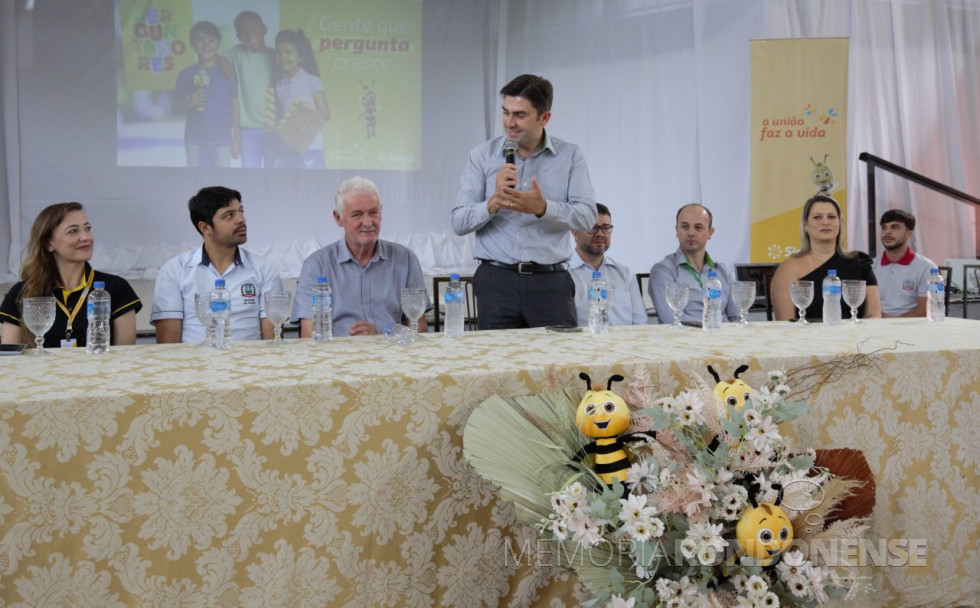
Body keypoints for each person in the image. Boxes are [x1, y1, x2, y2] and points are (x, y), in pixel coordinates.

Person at [452, 74, 597, 329]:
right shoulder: (482, 156)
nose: (509, 123)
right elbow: (458, 222)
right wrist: (492, 203)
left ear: (545, 118)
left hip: (550, 283)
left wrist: (543, 208)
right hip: (496, 281)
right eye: (505, 112)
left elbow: (587, 216)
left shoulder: (570, 156)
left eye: (520, 115)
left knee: (558, 367)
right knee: (498, 367)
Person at [291, 177, 429, 337]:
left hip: (391, 355)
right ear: (338, 218)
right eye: (357, 215)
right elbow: (308, 336)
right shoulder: (316, 265)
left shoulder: (406, 260)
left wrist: (380, 337)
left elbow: (420, 330)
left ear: (381, 212)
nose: (367, 222)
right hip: (336, 358)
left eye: (373, 212)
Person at [151, 187, 282, 343]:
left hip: (250, 363)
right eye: (229, 215)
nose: (241, 219)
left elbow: (272, 340)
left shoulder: (264, 269)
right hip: (195, 363)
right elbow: (168, 344)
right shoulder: (175, 270)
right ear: (205, 227)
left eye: (241, 211)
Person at [0, 202, 141, 348]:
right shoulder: (21, 293)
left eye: (87, 229)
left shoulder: (116, 288)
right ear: (48, 243)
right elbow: (11, 359)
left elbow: (124, 356)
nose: (85, 237)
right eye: (73, 231)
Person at [771, 194, 882, 321]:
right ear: (805, 225)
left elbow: (874, 315)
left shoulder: (860, 263)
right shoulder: (788, 268)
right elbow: (785, 324)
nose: (825, 222)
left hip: (854, 339)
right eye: (817, 217)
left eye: (832, 217)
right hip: (806, 340)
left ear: (840, 223)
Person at [649, 203, 740, 325]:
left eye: (698, 227)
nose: (691, 233)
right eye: (685, 227)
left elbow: (738, 317)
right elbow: (672, 319)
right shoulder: (664, 270)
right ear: (677, 230)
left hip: (722, 338)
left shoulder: (723, 271)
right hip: (683, 341)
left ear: (710, 233)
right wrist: (712, 326)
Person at [174, 21, 239, 168]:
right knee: (196, 184)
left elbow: (234, 106)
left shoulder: (227, 73)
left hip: (223, 141)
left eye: (211, 40)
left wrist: (237, 139)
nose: (206, 45)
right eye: (200, 40)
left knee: (221, 185)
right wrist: (188, 104)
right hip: (194, 141)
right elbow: (175, 109)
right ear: (192, 43)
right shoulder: (186, 74)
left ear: (218, 43)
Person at [570, 203, 647, 326]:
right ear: (574, 232)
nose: (600, 234)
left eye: (605, 228)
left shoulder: (626, 274)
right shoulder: (564, 275)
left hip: (626, 343)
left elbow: (641, 324)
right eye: (592, 227)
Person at [272, 29, 331, 169]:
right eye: (279, 53)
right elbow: (282, 117)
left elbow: (326, 114)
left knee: (313, 187)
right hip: (288, 148)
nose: (282, 57)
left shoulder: (311, 81)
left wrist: (309, 111)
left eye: (289, 53)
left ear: (300, 57)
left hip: (311, 148)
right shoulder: (279, 85)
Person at [225, 10, 275, 168]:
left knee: (273, 172)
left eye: (254, 28)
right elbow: (218, 59)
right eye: (244, 31)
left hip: (273, 128)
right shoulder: (236, 54)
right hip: (247, 130)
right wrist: (223, 65)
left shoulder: (276, 57)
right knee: (250, 173)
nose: (250, 34)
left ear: (264, 29)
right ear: (239, 37)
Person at [872, 209, 937, 317]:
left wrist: (892, 323)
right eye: (884, 227)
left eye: (895, 227)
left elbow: (926, 309)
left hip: (912, 328)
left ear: (909, 234)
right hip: (876, 324)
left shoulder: (927, 267)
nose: (887, 232)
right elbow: (866, 306)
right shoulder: (871, 265)